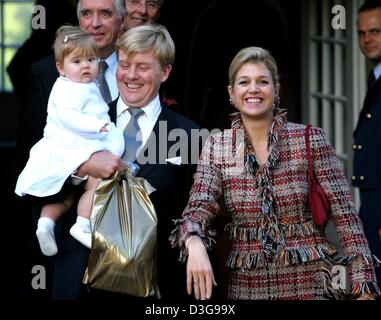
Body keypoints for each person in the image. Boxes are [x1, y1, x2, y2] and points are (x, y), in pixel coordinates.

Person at [170, 46, 380, 300]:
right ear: (231, 92)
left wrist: (364, 287)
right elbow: (198, 206)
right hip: (248, 285)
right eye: (244, 82)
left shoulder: (310, 139)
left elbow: (346, 218)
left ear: (276, 89)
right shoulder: (218, 146)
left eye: (263, 82)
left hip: (312, 282)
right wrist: (193, 241)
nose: (254, 89)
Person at [15, 0, 127, 300]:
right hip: (68, 241)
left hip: (126, 234)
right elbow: (33, 148)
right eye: (86, 14)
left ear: (122, 19)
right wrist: (83, 166)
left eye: (105, 13)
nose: (95, 23)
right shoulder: (45, 72)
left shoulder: (137, 68)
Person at [353, 0, 381, 288]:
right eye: (362, 33)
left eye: (375, 31)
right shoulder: (376, 78)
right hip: (371, 212)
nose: (367, 40)